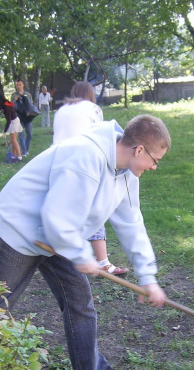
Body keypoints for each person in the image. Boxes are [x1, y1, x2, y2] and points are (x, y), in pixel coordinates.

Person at [0, 114, 171, 370]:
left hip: (61, 238)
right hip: (18, 230)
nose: (154, 167)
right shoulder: (85, 157)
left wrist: (148, 278)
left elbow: (132, 224)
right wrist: (80, 254)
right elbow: (56, 216)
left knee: (80, 304)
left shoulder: (127, 175)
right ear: (138, 150)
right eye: (154, 159)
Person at [53, 81, 129, 275]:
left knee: (70, 209)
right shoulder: (93, 108)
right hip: (83, 163)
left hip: (56, 163)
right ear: (91, 94)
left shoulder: (61, 110)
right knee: (95, 209)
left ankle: (69, 253)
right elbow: (100, 137)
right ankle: (100, 261)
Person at [0, 93, 23, 162]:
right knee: (13, 140)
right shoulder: (5, 104)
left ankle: (19, 157)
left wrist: (4, 132)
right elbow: (3, 110)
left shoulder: (7, 107)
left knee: (14, 140)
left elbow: (8, 120)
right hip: (14, 121)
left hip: (13, 122)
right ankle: (14, 155)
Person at [11, 79, 33, 157]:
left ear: (23, 85)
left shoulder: (28, 94)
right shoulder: (14, 95)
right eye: (17, 85)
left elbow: (31, 104)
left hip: (27, 116)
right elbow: (11, 106)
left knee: (29, 133)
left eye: (20, 85)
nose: (18, 86)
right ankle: (23, 152)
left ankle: (26, 149)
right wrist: (14, 100)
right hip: (19, 117)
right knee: (21, 134)